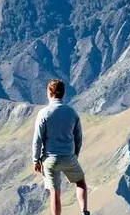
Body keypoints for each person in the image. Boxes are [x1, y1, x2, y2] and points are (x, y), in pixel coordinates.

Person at [32, 79, 89, 215]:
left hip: (50, 159)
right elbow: (78, 137)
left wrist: (36, 160)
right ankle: (84, 211)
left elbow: (37, 140)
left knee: (55, 192)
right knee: (80, 182)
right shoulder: (72, 112)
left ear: (50, 93)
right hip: (69, 156)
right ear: (63, 93)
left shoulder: (44, 113)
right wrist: (75, 155)